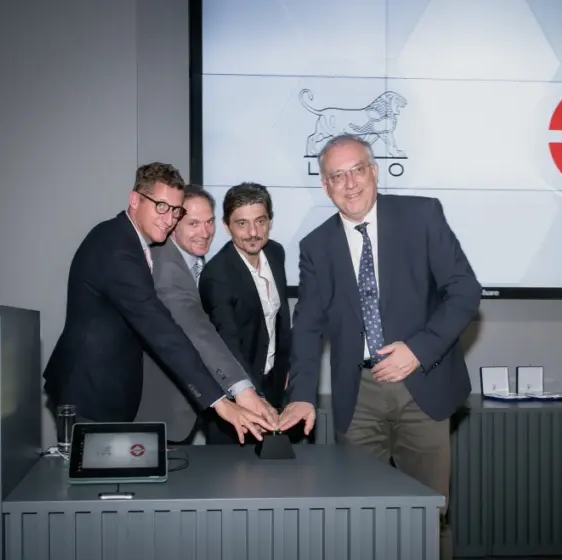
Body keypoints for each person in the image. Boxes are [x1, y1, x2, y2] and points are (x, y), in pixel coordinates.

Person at [278, 134, 481, 559]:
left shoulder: (421, 215)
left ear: (374, 172)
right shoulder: (316, 246)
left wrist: (418, 350)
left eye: (357, 170)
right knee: (359, 520)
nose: (349, 183)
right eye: (337, 176)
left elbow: (464, 291)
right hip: (359, 398)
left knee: (429, 516)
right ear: (325, 186)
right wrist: (301, 395)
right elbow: (308, 325)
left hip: (423, 386)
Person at [42, 163, 274, 441]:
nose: (169, 219)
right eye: (161, 207)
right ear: (135, 200)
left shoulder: (131, 240)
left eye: (175, 211)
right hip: (90, 391)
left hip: (108, 388)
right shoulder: (118, 250)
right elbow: (162, 331)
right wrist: (222, 402)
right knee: (90, 469)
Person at [134, 185, 277, 444]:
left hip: (201, 396)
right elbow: (197, 329)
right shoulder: (167, 267)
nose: (205, 232)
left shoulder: (194, 260)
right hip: (163, 405)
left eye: (209, 222)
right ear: (173, 224)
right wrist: (243, 389)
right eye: (193, 224)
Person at [199, 183, 292, 444]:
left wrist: (287, 368)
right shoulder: (216, 276)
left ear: (270, 221)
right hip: (236, 396)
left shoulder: (276, 253)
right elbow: (227, 343)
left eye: (260, 221)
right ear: (226, 226)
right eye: (242, 224)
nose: (253, 232)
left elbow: (280, 319)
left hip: (275, 386)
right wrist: (254, 395)